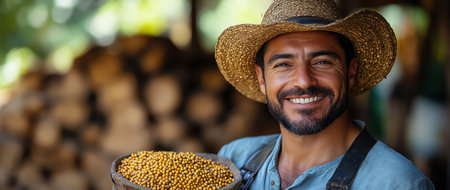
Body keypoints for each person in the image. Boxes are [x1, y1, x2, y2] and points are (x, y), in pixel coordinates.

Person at [214, 0, 435, 189]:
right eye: (283, 64)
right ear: (262, 79)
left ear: (350, 72)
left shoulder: (396, 183)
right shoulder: (235, 159)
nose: (303, 80)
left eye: (322, 62)